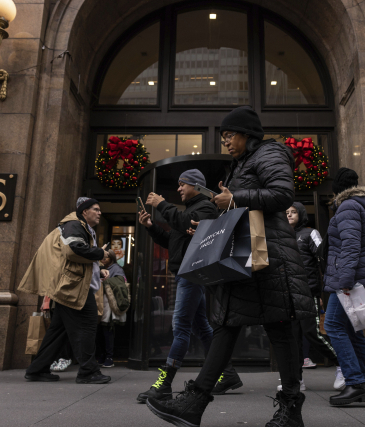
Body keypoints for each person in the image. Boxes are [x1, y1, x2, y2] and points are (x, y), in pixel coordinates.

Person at [145, 106, 314, 427]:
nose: (225, 142)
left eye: (229, 135)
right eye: (223, 136)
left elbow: (282, 194)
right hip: (248, 256)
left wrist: (235, 197)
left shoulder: (269, 152)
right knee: (227, 321)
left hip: (271, 257)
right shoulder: (243, 163)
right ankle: (196, 402)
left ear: (247, 135)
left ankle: (289, 409)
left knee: (277, 329)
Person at [136, 169, 242, 403]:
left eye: (182, 184)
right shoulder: (188, 210)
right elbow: (171, 241)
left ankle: (164, 384)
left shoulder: (204, 207)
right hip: (187, 274)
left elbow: (183, 222)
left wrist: (162, 204)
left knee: (180, 327)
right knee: (202, 328)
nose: (178, 188)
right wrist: (151, 226)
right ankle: (229, 375)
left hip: (192, 274)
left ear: (195, 185)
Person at [18, 197, 110, 384]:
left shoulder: (79, 227)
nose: (99, 212)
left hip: (71, 287)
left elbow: (74, 258)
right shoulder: (75, 225)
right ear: (84, 212)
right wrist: (101, 253)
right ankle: (88, 372)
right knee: (87, 326)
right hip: (74, 289)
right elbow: (73, 251)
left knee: (58, 332)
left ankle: (37, 369)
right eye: (95, 209)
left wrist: (97, 271)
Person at [323, 167, 365, 406]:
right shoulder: (359, 206)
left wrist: (344, 280)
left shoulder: (347, 207)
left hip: (349, 280)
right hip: (356, 278)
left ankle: (355, 383)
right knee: (354, 333)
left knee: (333, 325)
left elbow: (350, 245)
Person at [284, 203, 341, 393]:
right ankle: (295, 381)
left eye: (293, 212)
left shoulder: (310, 233)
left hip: (308, 291)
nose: (289, 215)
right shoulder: (282, 236)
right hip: (288, 294)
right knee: (292, 338)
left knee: (312, 333)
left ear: (301, 214)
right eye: (286, 213)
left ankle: (344, 365)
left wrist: (324, 288)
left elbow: (323, 254)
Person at [96, 249, 127, 368]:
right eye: (102, 257)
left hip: (108, 303)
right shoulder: (97, 267)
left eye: (106, 257)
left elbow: (121, 284)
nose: (103, 259)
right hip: (98, 301)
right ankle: (102, 355)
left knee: (107, 329)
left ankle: (109, 356)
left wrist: (105, 281)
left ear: (112, 258)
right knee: (100, 330)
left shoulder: (117, 269)